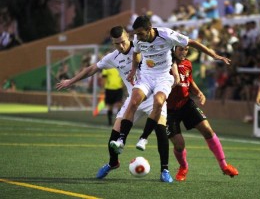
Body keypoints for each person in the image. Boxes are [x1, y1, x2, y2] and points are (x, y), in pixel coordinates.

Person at [56, 26, 173, 183]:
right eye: (117, 44)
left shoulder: (142, 46)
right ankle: (113, 163)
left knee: (161, 132)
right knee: (114, 136)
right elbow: (92, 69)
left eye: (123, 42)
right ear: (112, 43)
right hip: (134, 99)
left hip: (153, 96)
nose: (121, 46)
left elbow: (164, 56)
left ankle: (164, 170)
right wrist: (71, 81)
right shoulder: (113, 57)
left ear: (128, 36)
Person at [110, 15, 230, 157]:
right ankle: (121, 140)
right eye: (136, 34)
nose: (138, 37)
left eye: (141, 33)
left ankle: (143, 138)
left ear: (149, 29)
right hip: (146, 75)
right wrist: (134, 70)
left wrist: (214, 55)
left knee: (159, 102)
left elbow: (192, 42)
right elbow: (136, 53)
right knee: (134, 101)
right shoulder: (137, 38)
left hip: (163, 76)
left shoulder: (166, 34)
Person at [139, 45, 239, 181]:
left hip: (186, 104)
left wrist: (198, 92)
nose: (183, 52)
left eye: (186, 49)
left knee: (208, 130)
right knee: (179, 145)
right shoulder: (164, 65)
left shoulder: (188, 64)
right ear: (173, 50)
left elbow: (189, 81)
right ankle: (183, 167)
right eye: (180, 49)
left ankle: (224, 166)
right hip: (168, 110)